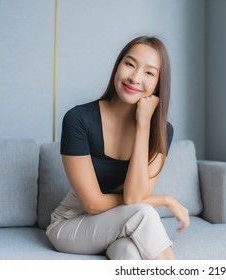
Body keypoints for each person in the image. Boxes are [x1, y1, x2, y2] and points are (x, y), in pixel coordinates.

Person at [46, 36, 190, 260]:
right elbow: (94, 204)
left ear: (159, 84)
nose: (134, 78)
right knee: (144, 213)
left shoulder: (162, 131)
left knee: (130, 254)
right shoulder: (78, 119)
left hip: (118, 227)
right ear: (118, 65)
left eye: (149, 73)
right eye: (130, 64)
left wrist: (143, 124)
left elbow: (135, 195)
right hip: (71, 224)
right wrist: (165, 199)